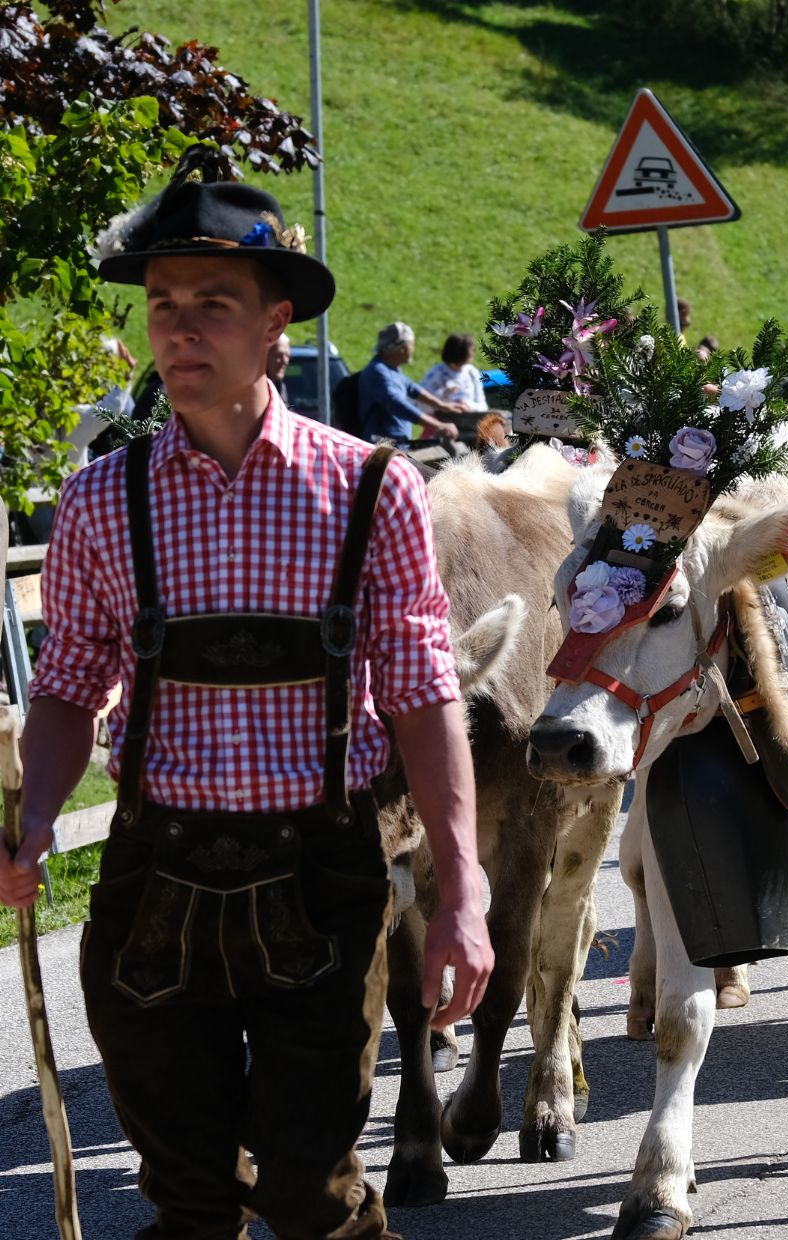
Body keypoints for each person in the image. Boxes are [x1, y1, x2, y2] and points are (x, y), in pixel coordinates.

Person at [0, 166, 494, 1239]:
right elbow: (69, 684)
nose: (179, 332)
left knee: (309, 1193)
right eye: (161, 306)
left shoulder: (370, 489)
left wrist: (460, 888)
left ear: (277, 322)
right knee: (186, 1201)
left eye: (211, 305)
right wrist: (35, 816)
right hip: (152, 877)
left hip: (321, 875)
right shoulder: (101, 497)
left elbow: (420, 695)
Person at [360, 322, 463, 451]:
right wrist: (438, 425)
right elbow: (396, 403)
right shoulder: (377, 371)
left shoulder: (392, 368)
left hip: (396, 446)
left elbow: (412, 388)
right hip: (381, 449)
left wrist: (443, 406)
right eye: (411, 345)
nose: (413, 349)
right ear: (401, 348)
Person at [420, 332, 488, 413]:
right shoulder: (436, 373)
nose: (473, 352)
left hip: (469, 423)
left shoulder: (472, 372)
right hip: (440, 423)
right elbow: (420, 404)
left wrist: (467, 406)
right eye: (471, 349)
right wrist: (444, 395)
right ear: (459, 352)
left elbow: (483, 407)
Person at [266, 331, 292, 401]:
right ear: (264, 356)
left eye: (287, 356)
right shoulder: (258, 390)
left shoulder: (279, 386)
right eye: (278, 356)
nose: (285, 361)